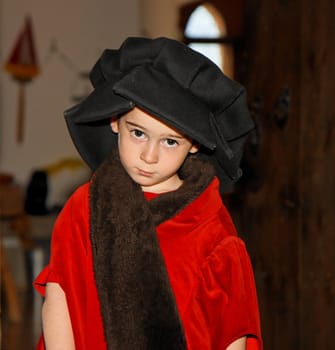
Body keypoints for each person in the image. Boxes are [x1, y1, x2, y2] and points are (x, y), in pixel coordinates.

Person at [34, 37, 262, 350]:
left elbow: (233, 330)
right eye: (138, 133)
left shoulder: (211, 228)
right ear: (115, 122)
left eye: (170, 141)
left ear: (194, 143)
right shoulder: (82, 208)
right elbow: (59, 297)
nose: (149, 156)